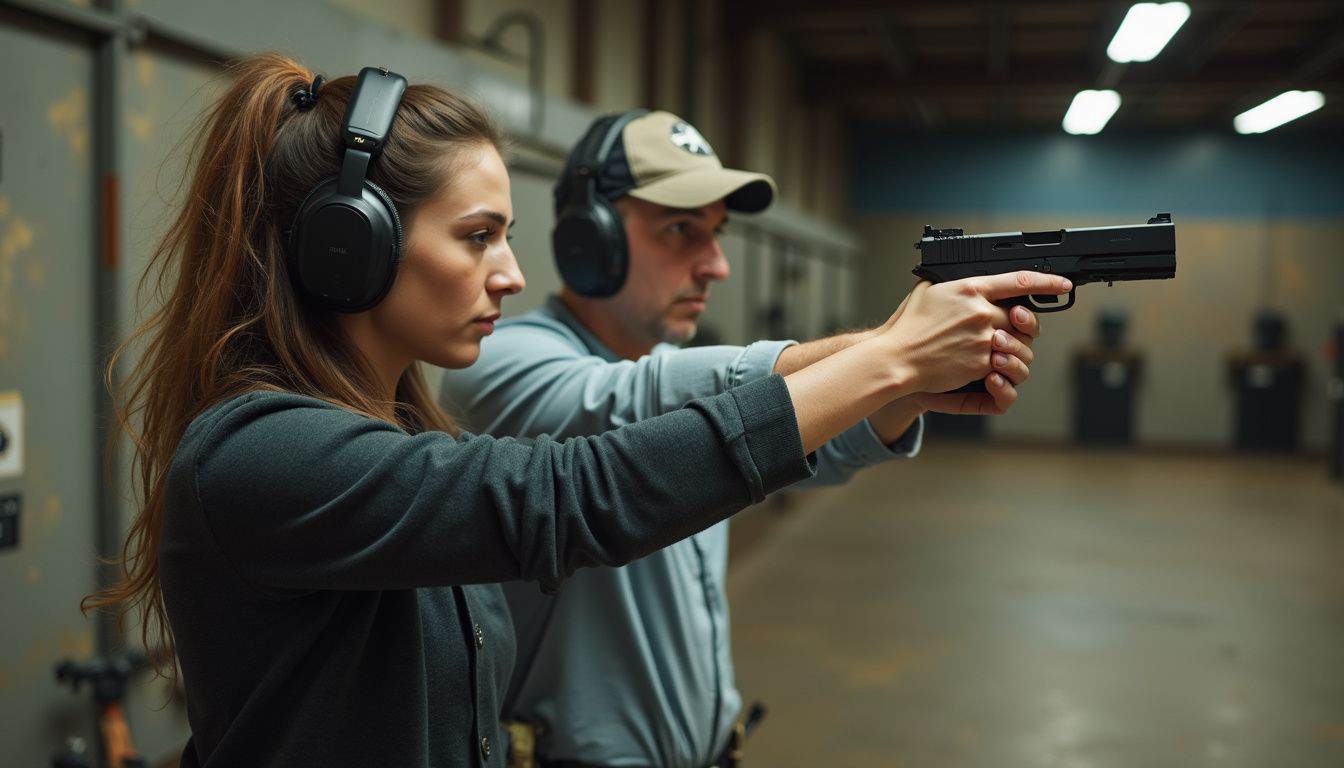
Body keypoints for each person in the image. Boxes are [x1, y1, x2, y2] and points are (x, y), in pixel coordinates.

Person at [81, 56, 1066, 768]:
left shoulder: (402, 435)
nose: (508, 273)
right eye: (476, 237)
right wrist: (888, 356)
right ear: (350, 247)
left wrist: (899, 372)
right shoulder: (265, 452)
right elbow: (571, 495)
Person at [438, 110, 1055, 768]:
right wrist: (895, 351)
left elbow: (813, 443)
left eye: (717, 234)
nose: (717, 266)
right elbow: (635, 407)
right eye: (682, 231)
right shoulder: (500, 362)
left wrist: (913, 385)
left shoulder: (681, 372)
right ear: (589, 241)